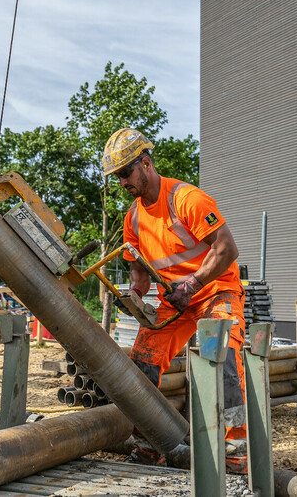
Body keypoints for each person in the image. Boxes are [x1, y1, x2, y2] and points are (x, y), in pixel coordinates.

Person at [102, 127, 248, 474]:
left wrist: (194, 282)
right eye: (116, 176)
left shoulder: (186, 200)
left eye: (125, 172)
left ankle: (235, 451)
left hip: (215, 290)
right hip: (176, 299)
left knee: (222, 358)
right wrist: (134, 295)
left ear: (146, 164)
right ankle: (149, 444)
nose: (122, 182)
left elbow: (227, 249)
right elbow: (139, 270)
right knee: (142, 364)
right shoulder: (133, 217)